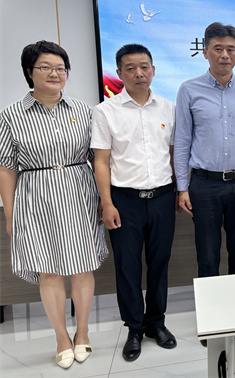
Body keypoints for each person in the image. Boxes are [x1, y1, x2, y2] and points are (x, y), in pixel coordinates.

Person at [0, 41, 108, 369]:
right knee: (48, 270)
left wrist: (104, 200)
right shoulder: (11, 115)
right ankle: (61, 337)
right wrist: (10, 214)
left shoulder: (83, 110)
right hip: (35, 197)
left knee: (82, 266)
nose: (55, 73)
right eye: (45, 67)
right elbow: (6, 168)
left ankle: (83, 332)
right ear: (29, 71)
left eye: (61, 68)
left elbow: (98, 159)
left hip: (78, 193)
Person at [91, 44, 178, 362]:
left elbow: (173, 154)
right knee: (127, 267)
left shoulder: (168, 108)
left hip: (163, 198)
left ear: (153, 70)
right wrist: (107, 203)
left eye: (144, 67)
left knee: (159, 263)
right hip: (124, 201)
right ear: (120, 73)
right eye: (130, 68)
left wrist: (179, 190)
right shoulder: (106, 111)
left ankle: (157, 323)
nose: (139, 73)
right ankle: (134, 329)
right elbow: (101, 161)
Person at [174, 22, 235, 278]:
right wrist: (182, 188)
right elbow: (182, 141)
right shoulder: (189, 89)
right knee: (207, 256)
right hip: (204, 184)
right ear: (205, 52)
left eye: (230, 49)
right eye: (218, 48)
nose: (225, 55)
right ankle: (211, 303)